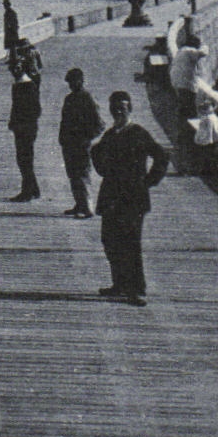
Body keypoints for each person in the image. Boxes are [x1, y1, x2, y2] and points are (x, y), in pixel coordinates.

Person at [90, 91, 168, 307]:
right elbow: (96, 153)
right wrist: (103, 169)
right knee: (109, 240)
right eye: (114, 109)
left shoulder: (138, 133)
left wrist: (148, 181)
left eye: (122, 109)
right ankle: (119, 284)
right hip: (111, 197)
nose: (118, 112)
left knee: (130, 243)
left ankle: (136, 290)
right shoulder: (110, 135)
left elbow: (161, 156)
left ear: (130, 109)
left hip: (133, 198)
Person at [58, 67, 103, 218]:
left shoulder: (88, 98)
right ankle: (79, 204)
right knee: (73, 175)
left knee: (82, 175)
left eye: (73, 82)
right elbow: (64, 121)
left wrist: (87, 138)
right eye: (69, 82)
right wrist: (62, 138)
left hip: (81, 144)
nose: (71, 85)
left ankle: (88, 207)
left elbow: (99, 124)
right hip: (68, 143)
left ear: (81, 81)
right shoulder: (69, 98)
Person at [7, 42, 43, 202]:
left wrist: (20, 122)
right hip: (24, 127)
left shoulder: (26, 85)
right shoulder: (22, 84)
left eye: (15, 69)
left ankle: (27, 191)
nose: (13, 72)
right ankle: (33, 189)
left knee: (24, 159)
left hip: (25, 128)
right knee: (25, 159)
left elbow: (35, 109)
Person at [169, 31, 209, 140]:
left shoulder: (181, 51)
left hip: (177, 82)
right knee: (189, 109)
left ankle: (183, 133)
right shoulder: (189, 51)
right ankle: (188, 135)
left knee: (184, 107)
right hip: (185, 84)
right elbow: (203, 52)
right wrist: (204, 45)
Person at [2, 0, 19, 67]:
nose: (4, 6)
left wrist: (11, 28)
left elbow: (13, 22)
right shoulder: (8, 12)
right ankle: (12, 59)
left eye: (5, 5)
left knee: (12, 45)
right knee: (11, 45)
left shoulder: (10, 12)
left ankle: (14, 59)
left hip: (11, 31)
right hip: (9, 31)